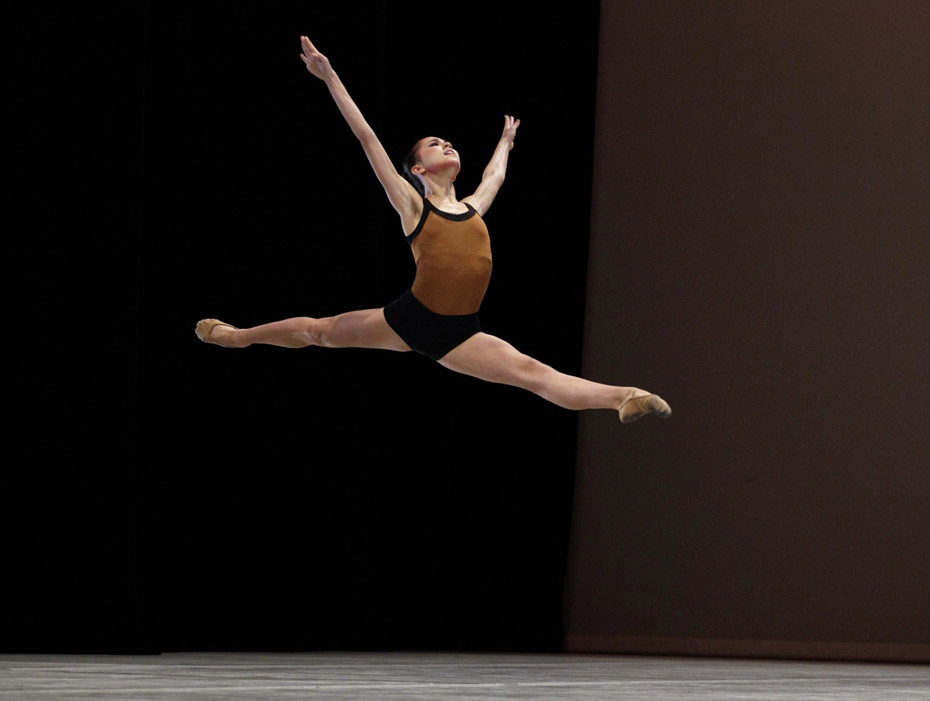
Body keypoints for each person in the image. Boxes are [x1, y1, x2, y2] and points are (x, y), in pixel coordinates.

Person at [195, 36, 671, 424]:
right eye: (434, 144)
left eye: (448, 141)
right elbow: (366, 136)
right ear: (418, 170)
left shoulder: (472, 209)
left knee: (533, 373)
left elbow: (494, 178)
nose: (446, 144)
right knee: (319, 332)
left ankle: (623, 396)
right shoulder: (411, 205)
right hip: (410, 318)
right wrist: (330, 76)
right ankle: (237, 337)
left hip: (459, 333)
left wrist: (505, 142)